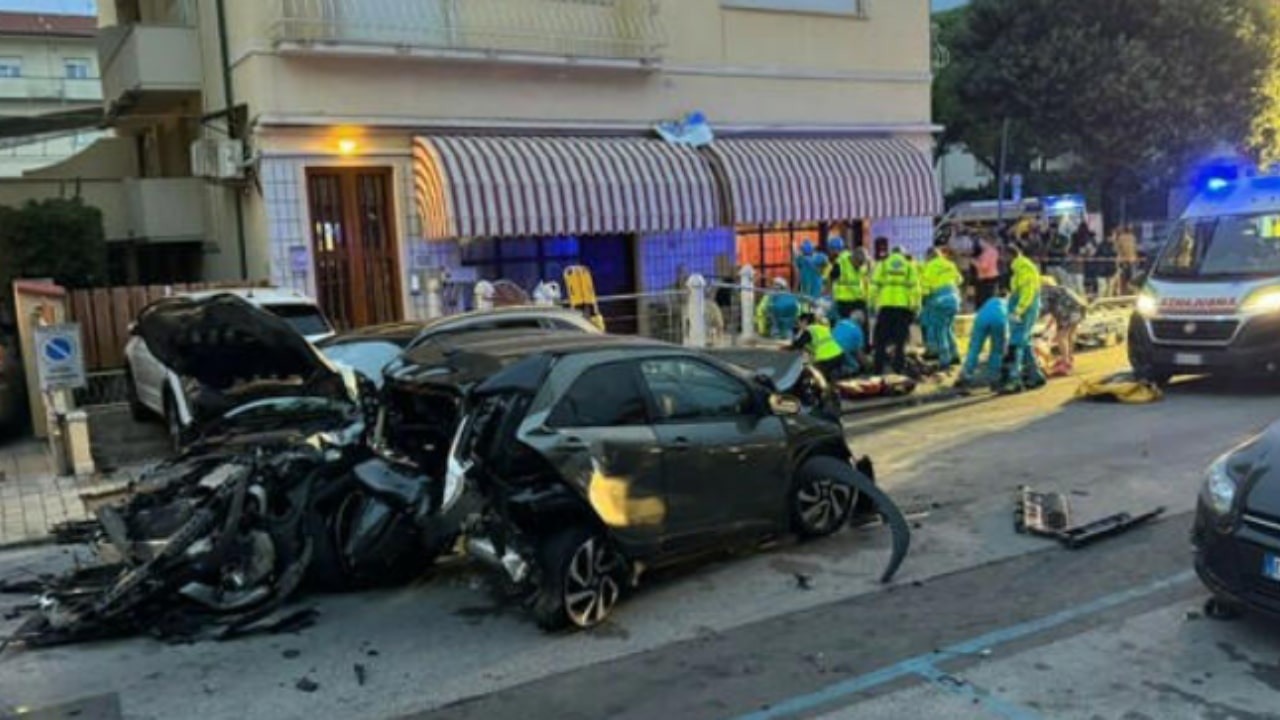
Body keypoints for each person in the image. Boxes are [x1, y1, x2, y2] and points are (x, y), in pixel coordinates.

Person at [871, 246, 921, 375]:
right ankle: (898, 369)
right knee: (900, 342)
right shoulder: (909, 266)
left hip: (885, 307)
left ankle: (878, 369)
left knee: (880, 341)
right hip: (902, 308)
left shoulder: (883, 264)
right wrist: (916, 307)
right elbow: (915, 289)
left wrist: (871, 304)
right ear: (903, 254)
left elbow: (874, 286)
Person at [1005, 243, 1046, 393]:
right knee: (1025, 342)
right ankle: (1035, 375)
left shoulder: (1024, 268)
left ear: (1009, 255)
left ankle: (1014, 379)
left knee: (1016, 343)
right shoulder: (1019, 268)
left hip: (1024, 310)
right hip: (1024, 308)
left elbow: (1028, 292)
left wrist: (1018, 310)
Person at [920, 247, 964, 371]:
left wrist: (923, 301)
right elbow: (960, 280)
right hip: (954, 299)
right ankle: (955, 355)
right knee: (948, 328)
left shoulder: (929, 267)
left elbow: (926, 288)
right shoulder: (949, 264)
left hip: (940, 301)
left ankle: (944, 360)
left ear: (929, 256)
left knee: (940, 331)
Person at [956, 291, 1009, 390]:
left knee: (974, 349)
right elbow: (1008, 330)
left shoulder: (989, 302)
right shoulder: (1007, 304)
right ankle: (994, 379)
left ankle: (966, 375)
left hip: (981, 318)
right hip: (999, 319)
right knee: (997, 351)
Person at [1039, 275, 1088, 376]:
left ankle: (1065, 362)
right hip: (1079, 308)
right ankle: (1069, 358)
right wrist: (1048, 326)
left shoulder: (1045, 291)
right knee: (1070, 335)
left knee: (1061, 337)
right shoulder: (1060, 289)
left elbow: (1044, 309)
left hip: (1068, 311)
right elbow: (1055, 311)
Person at [788, 312, 845, 380]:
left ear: (804, 321)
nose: (798, 325)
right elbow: (815, 345)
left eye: (799, 323)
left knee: (810, 374)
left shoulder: (809, 330)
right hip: (839, 354)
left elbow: (797, 345)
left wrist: (799, 333)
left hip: (827, 359)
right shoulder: (822, 327)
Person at [829, 238, 871, 324]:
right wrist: (830, 297)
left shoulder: (862, 263)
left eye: (862, 263)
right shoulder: (840, 263)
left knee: (863, 325)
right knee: (845, 325)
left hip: (859, 300)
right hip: (844, 302)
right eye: (859, 263)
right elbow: (831, 279)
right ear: (854, 259)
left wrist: (867, 297)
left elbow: (866, 279)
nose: (860, 266)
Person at [973, 235, 1001, 308]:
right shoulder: (994, 251)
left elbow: (984, 267)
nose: (979, 243)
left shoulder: (986, 253)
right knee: (992, 297)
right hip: (993, 276)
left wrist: (974, 262)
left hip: (986, 278)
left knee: (984, 299)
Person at [1093, 231, 1118, 299]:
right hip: (1102, 270)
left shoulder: (1113, 245)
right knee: (1103, 289)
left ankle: (1107, 304)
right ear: (1108, 237)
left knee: (1110, 289)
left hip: (1110, 270)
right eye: (1114, 236)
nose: (1114, 237)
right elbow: (1097, 256)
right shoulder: (1103, 245)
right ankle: (1100, 303)